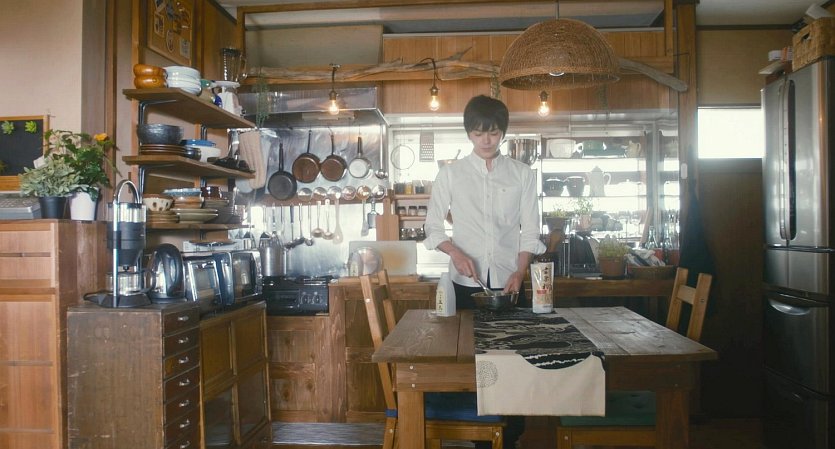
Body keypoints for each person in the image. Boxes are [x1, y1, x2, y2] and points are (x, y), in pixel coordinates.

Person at [423, 94, 545, 449]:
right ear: (469, 134)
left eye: (493, 133)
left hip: (510, 283)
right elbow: (432, 228)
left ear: (503, 132)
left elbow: (530, 231)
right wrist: (454, 252)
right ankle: (479, 436)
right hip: (466, 285)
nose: (486, 140)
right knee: (472, 363)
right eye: (478, 133)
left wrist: (520, 272)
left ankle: (510, 438)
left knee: (514, 362)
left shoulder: (522, 175)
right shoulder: (451, 174)